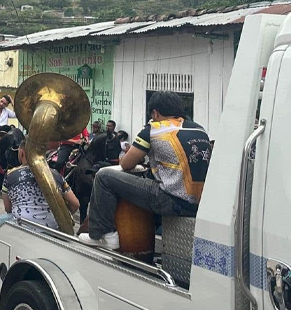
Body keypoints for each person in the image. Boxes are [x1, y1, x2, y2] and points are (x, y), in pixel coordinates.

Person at [79, 92, 212, 250]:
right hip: (198, 204)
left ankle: (102, 234)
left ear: (155, 113)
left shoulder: (153, 130)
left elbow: (126, 164)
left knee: (103, 176)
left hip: (169, 201)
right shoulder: (199, 129)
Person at [0, 140, 79, 291]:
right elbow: (75, 203)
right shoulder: (55, 174)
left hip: (22, 222)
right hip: (51, 224)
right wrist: (64, 216)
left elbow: (8, 208)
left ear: (22, 152)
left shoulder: (10, 174)